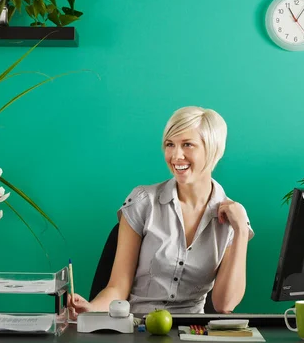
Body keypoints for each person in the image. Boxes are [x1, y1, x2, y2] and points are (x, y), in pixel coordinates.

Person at [68, 106, 254, 317]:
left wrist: (240, 230)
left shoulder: (232, 217)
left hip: (191, 333)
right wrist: (89, 309)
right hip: (138, 328)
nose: (176, 156)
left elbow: (224, 304)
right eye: (170, 145)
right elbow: (117, 288)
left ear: (212, 149)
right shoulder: (143, 202)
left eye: (187, 145)